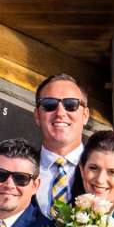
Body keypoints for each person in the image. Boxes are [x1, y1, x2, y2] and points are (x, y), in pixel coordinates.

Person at [31, 74, 91, 218]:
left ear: (85, 115)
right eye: (49, 104)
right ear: (37, 116)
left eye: (71, 105)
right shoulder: (13, 175)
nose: (60, 113)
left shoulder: (112, 175)